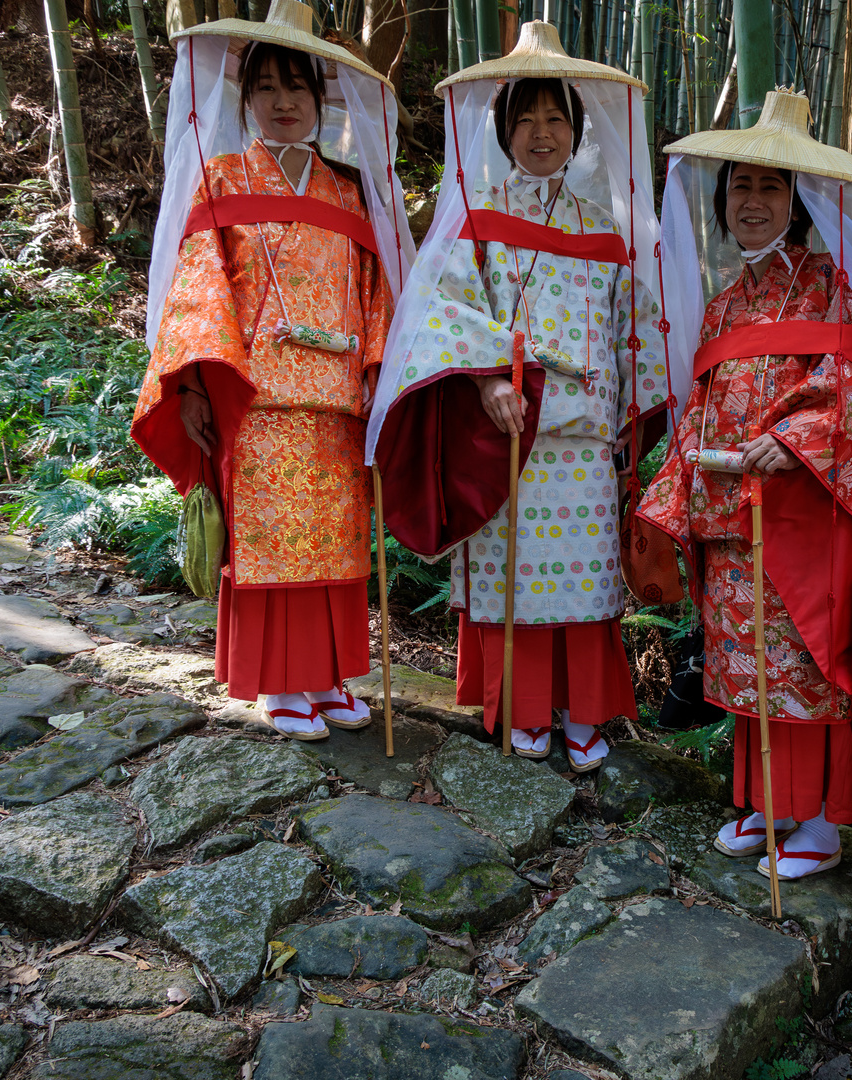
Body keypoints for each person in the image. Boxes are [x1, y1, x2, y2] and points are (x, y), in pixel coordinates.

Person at [367, 23, 676, 771]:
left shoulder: (605, 229)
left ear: (577, 131)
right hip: (509, 431)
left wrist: (636, 415)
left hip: (585, 437)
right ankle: (525, 709)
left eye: (556, 118)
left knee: (588, 581)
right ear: (504, 131)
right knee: (519, 578)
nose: (542, 133)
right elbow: (444, 310)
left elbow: (635, 326)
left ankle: (584, 713)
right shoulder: (477, 218)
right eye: (527, 118)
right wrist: (489, 379)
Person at [639, 90, 852, 880]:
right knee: (743, 663)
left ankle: (821, 824)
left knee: (798, 664)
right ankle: (767, 804)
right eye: (739, 187)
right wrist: (676, 488)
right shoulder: (727, 304)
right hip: (734, 512)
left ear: (801, 203)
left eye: (770, 188)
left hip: (805, 511)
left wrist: (793, 440)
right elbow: (700, 408)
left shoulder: (841, 287)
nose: (751, 202)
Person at [134, 0, 410, 740]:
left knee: (334, 537)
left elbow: (374, 293)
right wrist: (193, 381)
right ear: (246, 99)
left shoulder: (349, 192)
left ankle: (326, 676)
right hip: (254, 393)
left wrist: (380, 376)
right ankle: (277, 683)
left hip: (337, 397)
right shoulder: (221, 179)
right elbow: (199, 286)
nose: (284, 102)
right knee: (270, 539)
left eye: (298, 88)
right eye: (267, 89)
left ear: (320, 100)